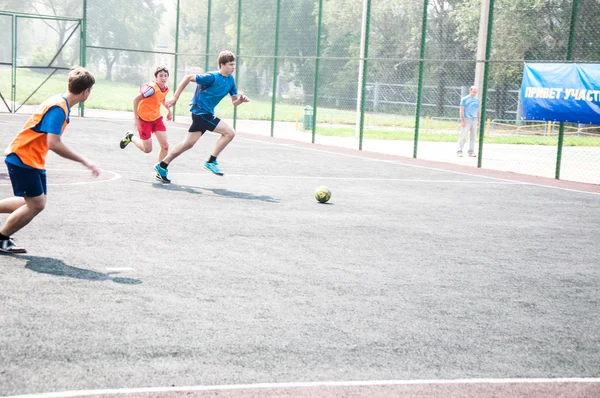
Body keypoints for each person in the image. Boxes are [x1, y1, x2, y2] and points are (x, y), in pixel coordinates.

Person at [0, 67, 99, 254]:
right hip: (23, 158)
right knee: (37, 204)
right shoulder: (58, 109)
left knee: (30, 202)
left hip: (30, 158)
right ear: (86, 91)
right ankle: (2, 238)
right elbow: (54, 143)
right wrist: (84, 160)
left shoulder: (59, 102)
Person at [154, 50, 249, 183]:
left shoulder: (231, 81)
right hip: (200, 112)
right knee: (229, 133)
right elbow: (187, 77)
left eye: (234, 64)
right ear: (221, 64)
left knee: (188, 144)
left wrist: (241, 100)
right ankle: (211, 161)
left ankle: (162, 166)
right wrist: (175, 97)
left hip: (205, 114)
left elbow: (234, 102)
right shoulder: (211, 77)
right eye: (230, 64)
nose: (233, 67)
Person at [119, 66, 172, 164]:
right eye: (161, 76)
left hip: (156, 119)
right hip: (144, 120)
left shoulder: (165, 88)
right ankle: (130, 137)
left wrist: (169, 110)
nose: (163, 78)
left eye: (165, 75)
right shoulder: (151, 89)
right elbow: (135, 100)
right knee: (147, 149)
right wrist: (136, 118)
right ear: (156, 78)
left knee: (165, 146)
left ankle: (160, 169)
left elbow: (162, 99)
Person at [457, 85, 480, 157]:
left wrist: (478, 120)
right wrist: (462, 121)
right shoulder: (464, 99)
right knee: (463, 136)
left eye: (476, 92)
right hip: (467, 119)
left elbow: (477, 111)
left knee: (473, 137)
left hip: (474, 119)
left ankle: (471, 152)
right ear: (470, 91)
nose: (474, 93)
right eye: (473, 92)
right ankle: (459, 151)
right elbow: (461, 110)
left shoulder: (477, 100)